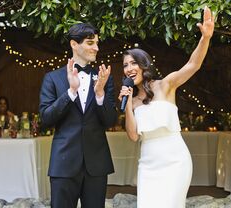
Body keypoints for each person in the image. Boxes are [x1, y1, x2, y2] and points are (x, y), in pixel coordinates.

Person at [118, 6, 214, 208]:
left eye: (133, 63)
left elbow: (192, 65)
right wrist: (126, 105)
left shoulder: (165, 85)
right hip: (148, 164)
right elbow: (134, 137)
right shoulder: (133, 102)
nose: (128, 69)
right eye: (125, 65)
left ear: (144, 65)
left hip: (175, 161)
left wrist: (205, 38)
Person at [39, 23, 117, 208]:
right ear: (74, 44)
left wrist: (100, 94)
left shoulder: (105, 78)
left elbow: (110, 121)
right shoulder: (53, 78)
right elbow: (46, 118)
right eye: (90, 43)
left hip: (96, 165)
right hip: (63, 163)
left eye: (97, 43)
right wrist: (71, 92)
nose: (96, 48)